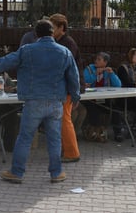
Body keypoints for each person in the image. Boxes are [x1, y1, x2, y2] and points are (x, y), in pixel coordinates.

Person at [0, 19, 80, 183]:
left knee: (25, 138)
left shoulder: (27, 50)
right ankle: (56, 173)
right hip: (56, 101)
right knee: (54, 138)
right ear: (52, 33)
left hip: (33, 101)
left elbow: (3, 62)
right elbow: (74, 77)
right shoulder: (64, 52)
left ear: (36, 34)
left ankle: (17, 172)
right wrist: (76, 96)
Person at [49, 13, 84, 163]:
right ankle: (67, 150)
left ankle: (71, 152)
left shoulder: (67, 43)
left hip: (68, 88)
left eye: (53, 27)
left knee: (64, 119)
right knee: (63, 119)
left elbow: (69, 70)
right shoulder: (63, 42)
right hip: (67, 87)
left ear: (61, 27)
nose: (51, 30)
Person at [83, 52, 121, 142]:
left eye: (99, 59)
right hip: (90, 99)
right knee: (94, 109)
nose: (96, 61)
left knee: (115, 109)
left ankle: (118, 132)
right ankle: (95, 132)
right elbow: (85, 81)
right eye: (96, 59)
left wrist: (112, 74)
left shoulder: (107, 71)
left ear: (105, 62)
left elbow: (118, 85)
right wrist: (95, 74)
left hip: (103, 98)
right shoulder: (89, 69)